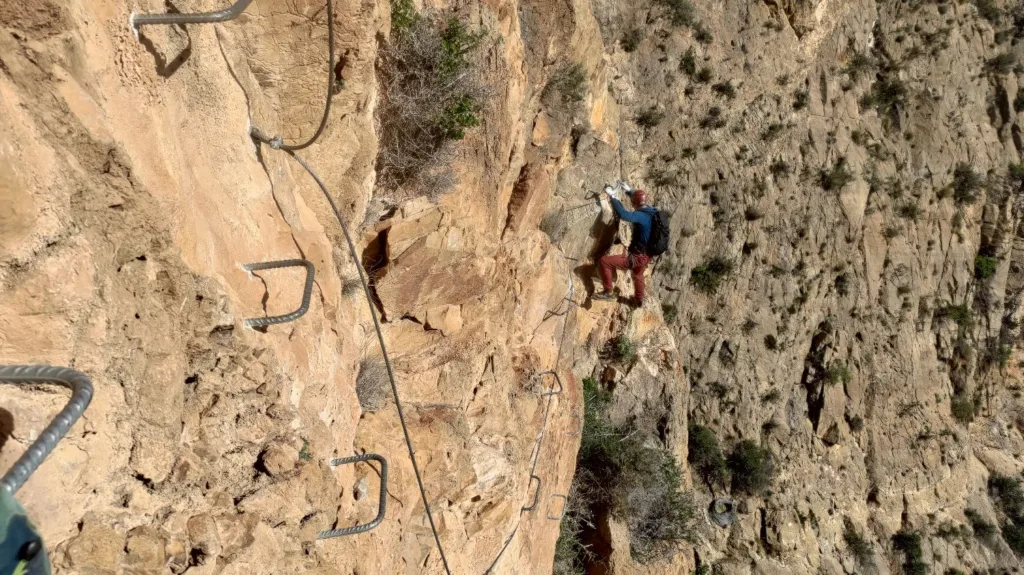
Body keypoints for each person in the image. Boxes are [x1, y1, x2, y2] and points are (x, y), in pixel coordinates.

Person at [593, 185, 658, 306]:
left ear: (634, 202)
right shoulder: (651, 211)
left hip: (637, 257)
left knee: (604, 261)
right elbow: (638, 200)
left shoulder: (641, 216)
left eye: (633, 202)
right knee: (638, 274)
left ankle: (608, 292)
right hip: (647, 255)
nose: (632, 206)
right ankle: (639, 300)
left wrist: (612, 197)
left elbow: (623, 214)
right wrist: (629, 191)